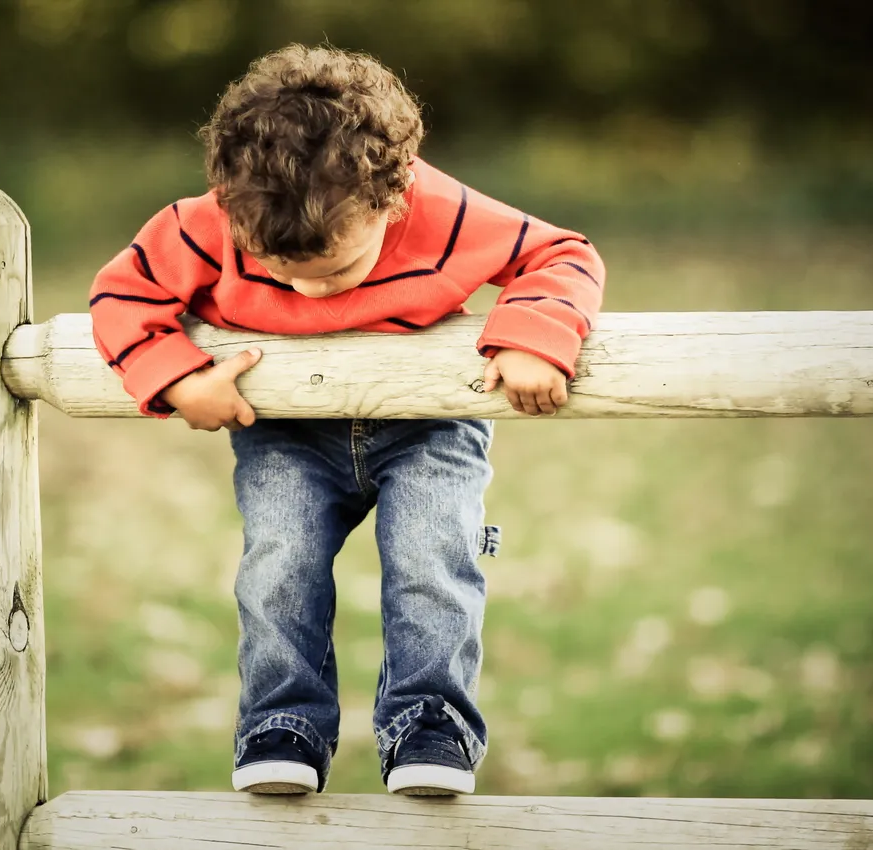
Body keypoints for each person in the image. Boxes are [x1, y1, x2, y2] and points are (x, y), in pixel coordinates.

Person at [89, 43, 605, 797]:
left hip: (425, 425)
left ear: (391, 198)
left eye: (331, 269)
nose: (306, 290)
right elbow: (123, 294)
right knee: (278, 566)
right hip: (286, 433)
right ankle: (281, 725)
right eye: (276, 268)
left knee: (434, 558)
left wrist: (533, 339)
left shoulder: (436, 210)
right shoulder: (209, 222)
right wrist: (180, 382)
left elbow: (560, 254)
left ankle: (430, 724)